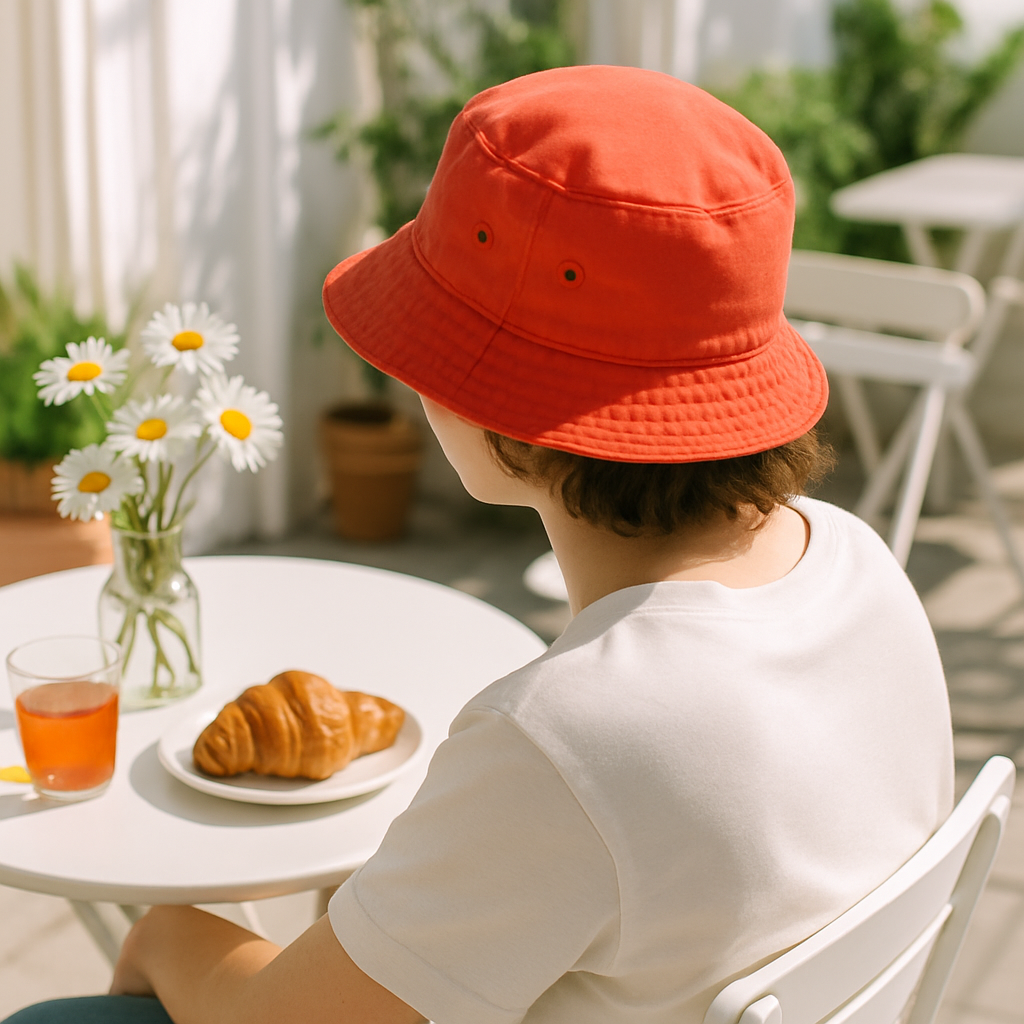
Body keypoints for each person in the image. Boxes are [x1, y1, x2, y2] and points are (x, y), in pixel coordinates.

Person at [4, 64, 954, 1024]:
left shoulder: (565, 739)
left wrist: (172, 931)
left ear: (498, 401)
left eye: (433, 336)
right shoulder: (858, 562)